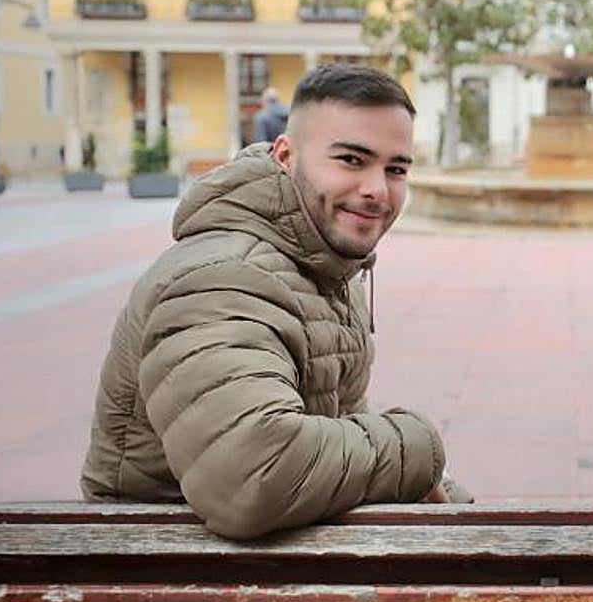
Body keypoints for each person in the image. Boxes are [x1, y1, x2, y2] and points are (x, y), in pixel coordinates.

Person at [82, 63, 461, 539]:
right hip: (163, 576)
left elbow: (340, 424)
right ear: (285, 155)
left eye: (396, 169)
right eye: (350, 160)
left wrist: (437, 488)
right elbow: (251, 475)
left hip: (256, 559)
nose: (376, 190)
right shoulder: (224, 278)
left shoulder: (319, 261)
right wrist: (418, 451)